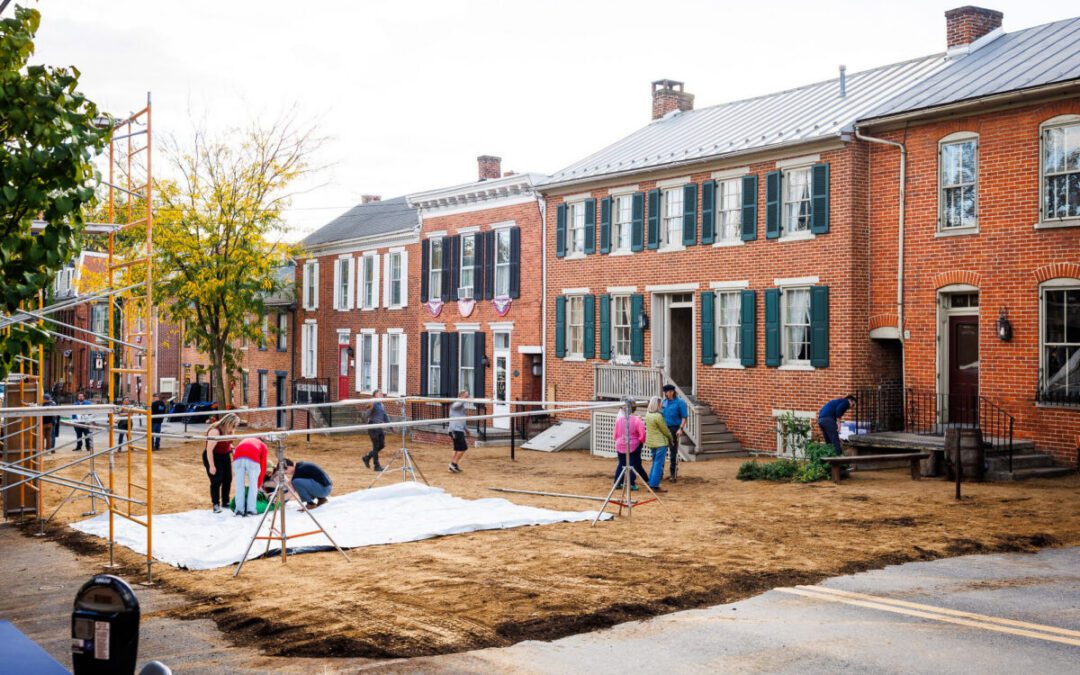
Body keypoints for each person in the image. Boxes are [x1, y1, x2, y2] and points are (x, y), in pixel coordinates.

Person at [202, 413, 238, 513]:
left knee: (228, 478)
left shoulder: (229, 430)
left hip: (225, 455)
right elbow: (209, 450)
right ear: (228, 423)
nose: (234, 428)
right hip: (213, 455)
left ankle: (225, 501)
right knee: (216, 480)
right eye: (233, 425)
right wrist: (212, 466)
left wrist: (232, 449)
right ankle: (216, 504)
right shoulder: (215, 431)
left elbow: (229, 443)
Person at [612, 403, 648, 490]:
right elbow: (642, 434)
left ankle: (617, 482)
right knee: (632, 465)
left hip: (620, 444)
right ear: (634, 409)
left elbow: (615, 434)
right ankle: (631, 484)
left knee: (621, 464)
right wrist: (640, 441)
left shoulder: (619, 420)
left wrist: (619, 441)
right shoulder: (637, 420)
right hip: (633, 446)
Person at [232, 437, 268, 517]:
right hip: (252, 458)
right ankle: (251, 510)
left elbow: (236, 452)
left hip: (237, 457)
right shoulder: (263, 446)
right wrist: (258, 485)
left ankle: (239, 511)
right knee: (253, 486)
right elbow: (263, 466)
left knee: (239, 485)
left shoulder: (244, 439)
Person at [644, 396, 674, 492]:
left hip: (651, 442)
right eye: (660, 403)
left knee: (655, 463)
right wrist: (671, 438)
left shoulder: (648, 414)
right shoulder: (658, 416)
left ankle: (651, 482)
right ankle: (654, 485)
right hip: (660, 443)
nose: (662, 405)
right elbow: (665, 430)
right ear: (657, 404)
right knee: (658, 464)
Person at [661, 384, 688, 482]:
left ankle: (673, 473)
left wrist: (680, 428)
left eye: (666, 392)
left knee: (673, 452)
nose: (665, 394)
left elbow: (684, 417)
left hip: (674, 428)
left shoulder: (680, 402)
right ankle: (660, 473)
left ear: (671, 392)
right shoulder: (664, 402)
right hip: (664, 428)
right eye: (665, 392)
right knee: (662, 451)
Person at [362, 390, 389, 472]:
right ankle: (376, 466)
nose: (382, 394)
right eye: (379, 393)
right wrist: (370, 408)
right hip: (373, 426)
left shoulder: (381, 404)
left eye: (382, 393)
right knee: (376, 446)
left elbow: (385, 416)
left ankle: (367, 457)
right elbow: (366, 415)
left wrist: (391, 426)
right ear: (375, 395)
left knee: (382, 445)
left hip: (379, 427)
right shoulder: (372, 402)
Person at [447, 389, 469, 473]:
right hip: (455, 429)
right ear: (461, 395)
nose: (467, 398)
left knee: (457, 448)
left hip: (458, 429)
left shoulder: (461, 405)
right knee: (463, 448)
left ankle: (453, 465)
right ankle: (453, 464)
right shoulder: (456, 403)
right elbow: (456, 405)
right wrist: (463, 400)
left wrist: (466, 429)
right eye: (466, 396)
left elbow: (462, 419)